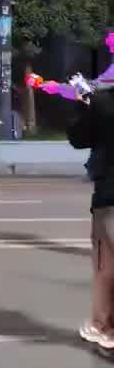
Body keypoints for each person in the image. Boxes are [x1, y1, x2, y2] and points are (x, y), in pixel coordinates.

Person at [67, 81, 114, 350]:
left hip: (111, 194)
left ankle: (103, 326)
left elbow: (78, 137)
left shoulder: (104, 103)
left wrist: (83, 105)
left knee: (105, 264)